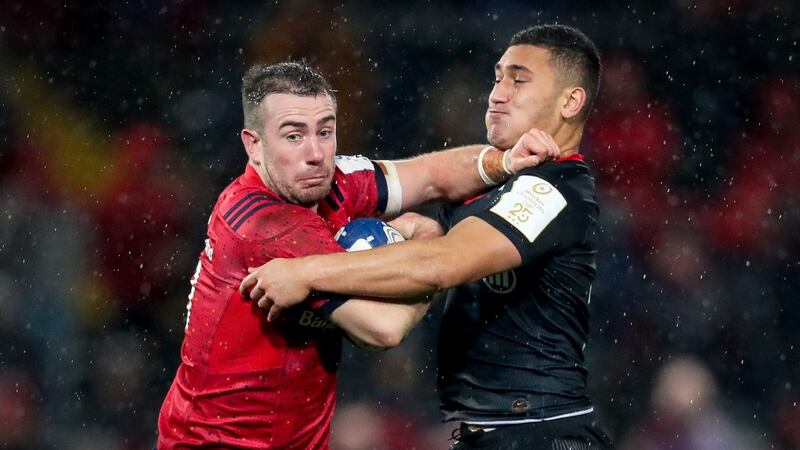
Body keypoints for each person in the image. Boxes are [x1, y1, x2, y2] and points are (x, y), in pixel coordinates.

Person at [241, 25, 616, 449]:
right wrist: (502, 161)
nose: (498, 93)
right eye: (497, 77)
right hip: (495, 432)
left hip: (540, 432)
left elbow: (439, 265)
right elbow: (435, 178)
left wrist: (306, 272)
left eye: (519, 79)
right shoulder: (507, 179)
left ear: (571, 101)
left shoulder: (552, 189)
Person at [157, 61, 557, 449]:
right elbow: (384, 329)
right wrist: (429, 249)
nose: (315, 153)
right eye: (293, 136)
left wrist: (504, 160)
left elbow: (431, 176)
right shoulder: (267, 226)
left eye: (325, 132)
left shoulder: (333, 182)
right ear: (254, 145)